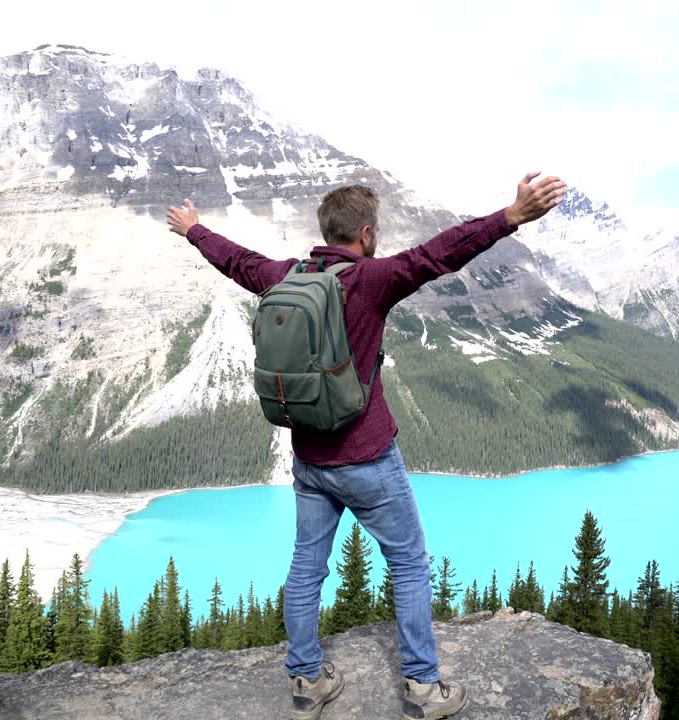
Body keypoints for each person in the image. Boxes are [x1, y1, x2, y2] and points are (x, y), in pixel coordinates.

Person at [166, 172, 566, 719]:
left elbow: (237, 260)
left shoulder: (284, 276)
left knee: (307, 567)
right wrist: (510, 217)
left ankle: (307, 680)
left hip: (308, 459)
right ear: (367, 233)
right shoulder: (370, 280)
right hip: (368, 456)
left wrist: (194, 230)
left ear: (325, 230)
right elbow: (437, 255)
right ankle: (423, 688)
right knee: (408, 564)